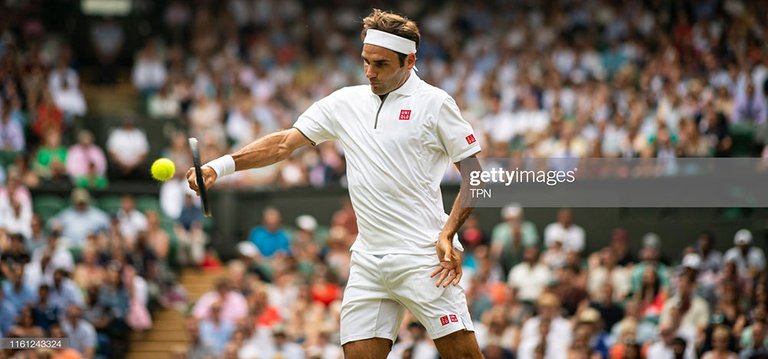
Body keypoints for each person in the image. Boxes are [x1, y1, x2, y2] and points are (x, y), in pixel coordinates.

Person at [187, 9, 483, 358]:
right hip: (368, 262)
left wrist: (448, 233)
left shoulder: (436, 104)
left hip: (423, 258)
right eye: (365, 61)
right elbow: (284, 143)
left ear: (410, 61)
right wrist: (218, 168)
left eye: (381, 64)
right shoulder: (345, 102)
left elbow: (476, 177)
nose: (370, 72)